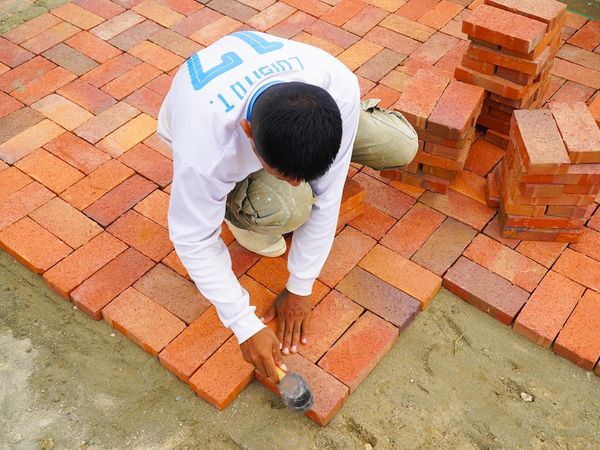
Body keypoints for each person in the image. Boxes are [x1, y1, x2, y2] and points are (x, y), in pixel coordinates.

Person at [157, 31, 418, 385]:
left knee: (401, 146)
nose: (297, 183)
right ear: (248, 133)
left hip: (286, 102)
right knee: (291, 206)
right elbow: (192, 238)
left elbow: (328, 194)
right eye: (285, 174)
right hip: (207, 119)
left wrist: (301, 285)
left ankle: (295, 163)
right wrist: (243, 324)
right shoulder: (207, 151)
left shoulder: (336, 82)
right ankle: (239, 210)